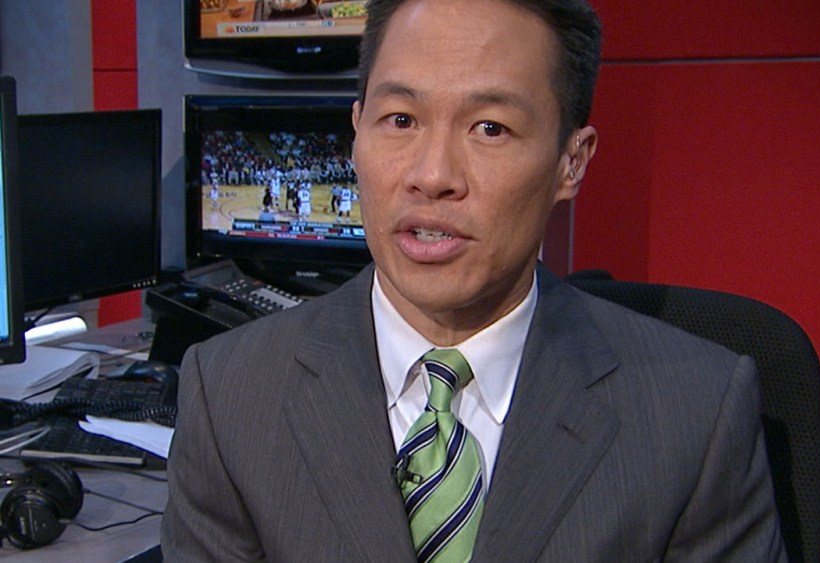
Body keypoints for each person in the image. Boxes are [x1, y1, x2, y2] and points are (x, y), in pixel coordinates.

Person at [160, 0, 787, 561]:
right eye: (400, 120)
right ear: (355, 134)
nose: (433, 175)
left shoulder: (696, 416)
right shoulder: (230, 395)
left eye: (490, 128)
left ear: (571, 162)